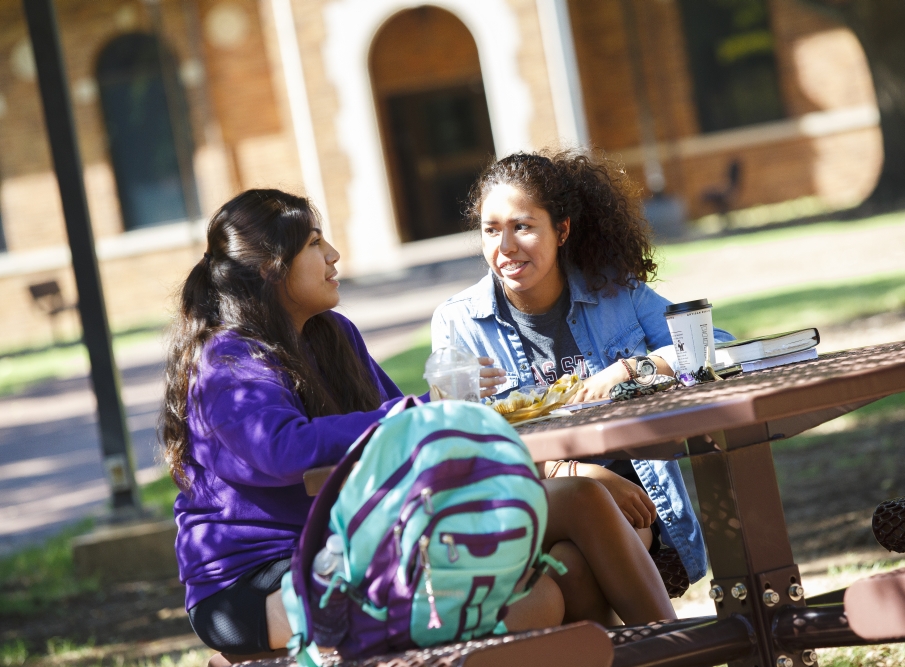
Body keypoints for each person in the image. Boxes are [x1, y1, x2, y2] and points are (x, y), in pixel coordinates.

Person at [160, 189, 672, 663]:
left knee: (576, 521)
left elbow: (417, 441)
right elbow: (284, 451)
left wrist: (514, 444)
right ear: (272, 269)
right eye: (316, 243)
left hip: (366, 540)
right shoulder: (226, 360)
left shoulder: (332, 335)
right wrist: (421, 410)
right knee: (542, 598)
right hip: (262, 580)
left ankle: (681, 651)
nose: (334, 255)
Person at [431, 151, 735, 620]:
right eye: (492, 230)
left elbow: (714, 346)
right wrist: (578, 473)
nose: (505, 247)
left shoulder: (615, 294)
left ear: (563, 230)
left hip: (634, 501)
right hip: (528, 504)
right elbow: (466, 442)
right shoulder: (460, 321)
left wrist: (632, 369)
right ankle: (675, 650)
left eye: (523, 227)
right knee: (575, 554)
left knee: (575, 564)